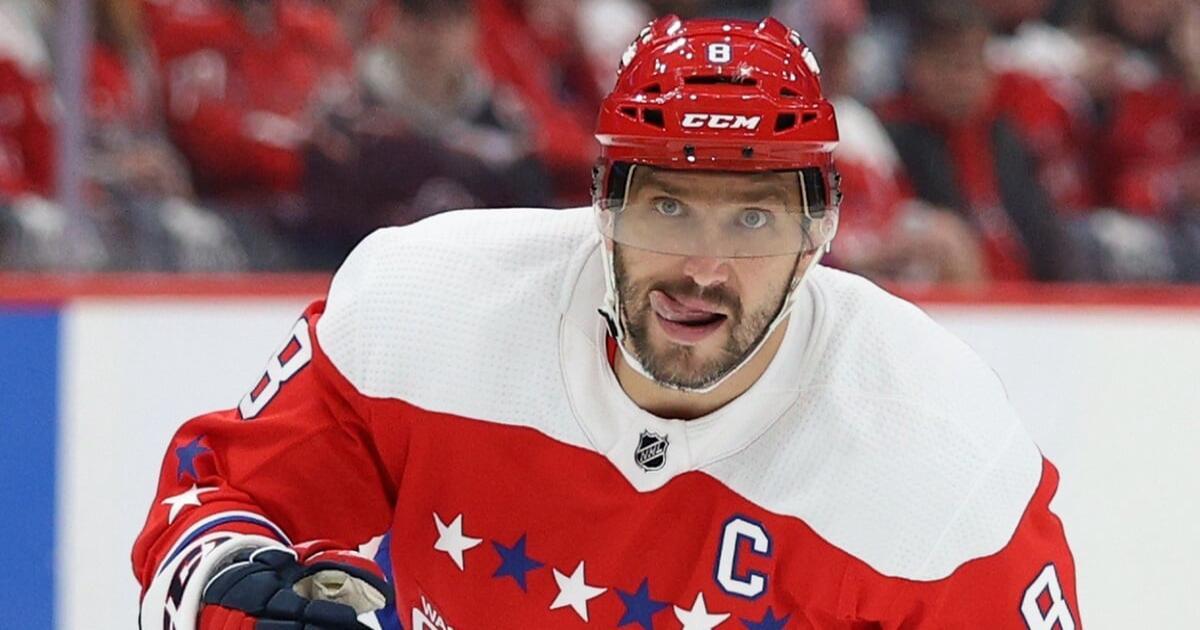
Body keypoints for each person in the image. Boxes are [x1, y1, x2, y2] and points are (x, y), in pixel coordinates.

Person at [133, 16, 1081, 629]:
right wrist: (233, 587)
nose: (704, 268)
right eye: (668, 207)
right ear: (600, 204)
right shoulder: (426, 307)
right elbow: (215, 499)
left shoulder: (940, 457)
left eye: (752, 220)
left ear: (818, 234)